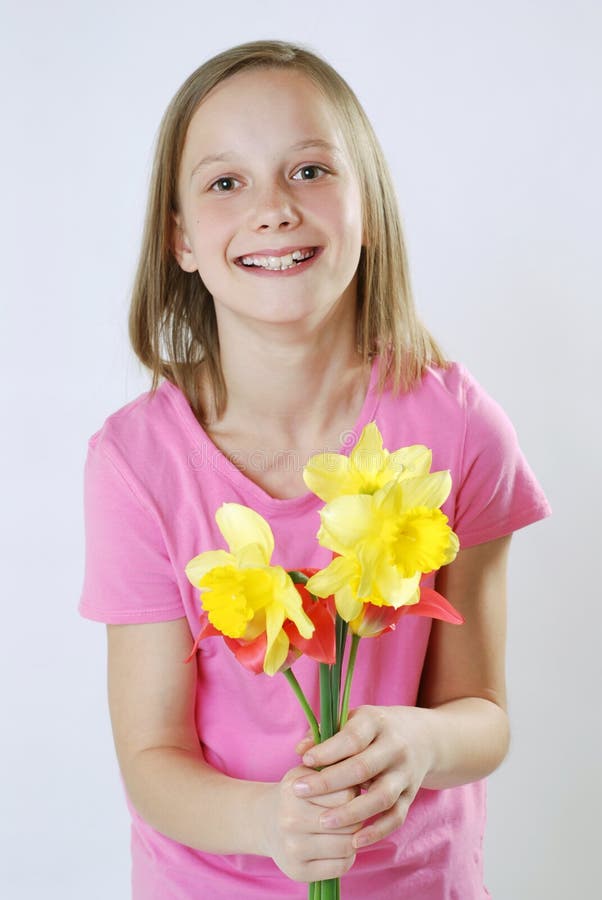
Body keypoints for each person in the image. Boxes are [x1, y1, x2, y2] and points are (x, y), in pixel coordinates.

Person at [79, 39, 551, 899]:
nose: (273, 210)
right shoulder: (135, 464)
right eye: (227, 183)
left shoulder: (458, 427)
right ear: (180, 239)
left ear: (366, 207)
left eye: (308, 171)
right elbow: (151, 760)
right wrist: (268, 822)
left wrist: (425, 743)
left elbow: (482, 714)